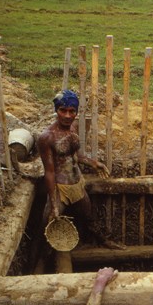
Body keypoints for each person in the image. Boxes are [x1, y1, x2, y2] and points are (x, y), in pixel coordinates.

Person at [38, 89, 124, 249]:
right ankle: (40, 259)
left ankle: (103, 241)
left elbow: (76, 155)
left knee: (89, 218)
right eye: (63, 110)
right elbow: (49, 172)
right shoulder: (47, 137)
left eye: (72, 111)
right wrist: (54, 203)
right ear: (56, 110)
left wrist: (93, 163)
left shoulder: (73, 128)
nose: (67, 115)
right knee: (47, 222)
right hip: (60, 189)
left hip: (77, 185)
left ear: (76, 112)